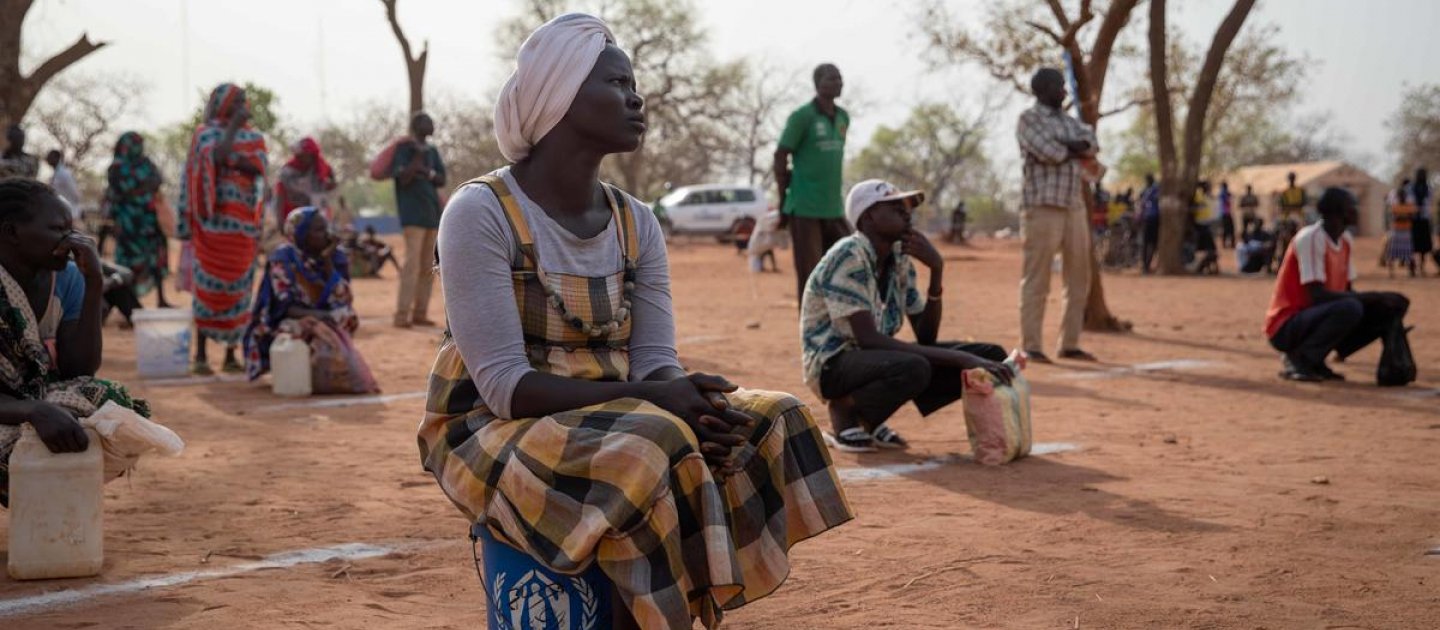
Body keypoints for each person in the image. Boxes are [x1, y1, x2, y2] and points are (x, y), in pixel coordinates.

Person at [419, 15, 851, 629]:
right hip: (492, 424)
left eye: (633, 84)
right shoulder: (480, 211)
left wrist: (690, 401)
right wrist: (661, 401)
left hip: (617, 408)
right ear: (561, 95)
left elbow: (654, 360)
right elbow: (504, 388)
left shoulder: (636, 221)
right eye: (617, 83)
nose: (636, 97)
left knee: (774, 418)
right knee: (655, 443)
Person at [801, 179, 1012, 452]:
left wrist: (936, 272)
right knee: (916, 365)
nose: (906, 212)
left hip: (873, 359)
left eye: (907, 207)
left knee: (991, 355)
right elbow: (867, 339)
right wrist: (962, 357)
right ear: (868, 217)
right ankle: (844, 410)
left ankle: (870, 419)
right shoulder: (849, 255)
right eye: (895, 206)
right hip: (833, 364)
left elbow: (926, 336)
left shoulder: (899, 258)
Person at [0, 178, 151, 508]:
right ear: (11, 233)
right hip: (14, 402)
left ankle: (48, 520)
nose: (72, 240)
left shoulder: (66, 276)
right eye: (57, 229)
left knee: (107, 403)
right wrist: (32, 409)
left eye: (71, 229)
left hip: (22, 395)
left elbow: (78, 368)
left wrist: (94, 283)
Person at [1265, 187, 1410, 382]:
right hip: (1287, 325)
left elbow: (1347, 292)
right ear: (1340, 211)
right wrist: (1373, 295)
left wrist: (1382, 302)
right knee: (1351, 307)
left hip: (1318, 314)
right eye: (1352, 206)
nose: (1356, 211)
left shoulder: (1345, 240)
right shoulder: (1310, 238)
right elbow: (1316, 295)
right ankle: (1300, 358)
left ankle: (1318, 359)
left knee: (1389, 305)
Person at [177, 83, 269, 375]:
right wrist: (235, 150)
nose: (244, 104)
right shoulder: (205, 134)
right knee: (207, 290)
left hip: (242, 229)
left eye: (244, 100)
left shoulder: (254, 137)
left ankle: (231, 355)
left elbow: (259, 169)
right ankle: (201, 355)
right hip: (211, 227)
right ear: (224, 104)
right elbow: (214, 158)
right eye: (237, 101)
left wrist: (238, 161)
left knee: (240, 292)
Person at [243, 207, 378, 394]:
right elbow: (285, 305)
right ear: (301, 234)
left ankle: (322, 371)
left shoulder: (336, 257)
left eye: (326, 228)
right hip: (284, 319)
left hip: (322, 316)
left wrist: (328, 261)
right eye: (318, 230)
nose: (326, 234)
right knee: (302, 328)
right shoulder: (283, 259)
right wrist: (318, 316)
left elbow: (343, 297)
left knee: (346, 316)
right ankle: (298, 369)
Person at [1015, 67, 1099, 363]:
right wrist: (1074, 147)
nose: (1064, 91)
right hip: (1041, 206)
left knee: (1079, 277)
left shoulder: (1069, 121)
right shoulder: (1028, 119)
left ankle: (1070, 343)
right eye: (1059, 86)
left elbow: (1092, 143)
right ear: (1044, 88)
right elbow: (1050, 152)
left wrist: (1074, 147)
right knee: (1037, 279)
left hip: (1073, 206)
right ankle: (1032, 345)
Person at [774, 63, 849, 304]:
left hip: (834, 207)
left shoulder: (842, 117)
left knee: (843, 267)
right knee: (809, 274)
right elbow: (780, 154)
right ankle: (809, 333)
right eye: (831, 78)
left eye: (840, 78)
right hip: (805, 207)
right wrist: (783, 199)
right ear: (817, 83)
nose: (838, 83)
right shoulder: (802, 117)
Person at [391, 112, 446, 329]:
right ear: (416, 126)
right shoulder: (404, 150)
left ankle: (420, 313)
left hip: (431, 215)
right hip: (412, 216)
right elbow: (402, 178)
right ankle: (401, 315)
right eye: (427, 122)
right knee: (411, 266)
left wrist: (428, 172)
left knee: (427, 267)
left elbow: (442, 179)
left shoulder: (433, 151)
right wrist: (417, 159)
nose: (432, 125)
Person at [106, 132, 172, 308]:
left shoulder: (145, 163)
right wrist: (144, 187)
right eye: (136, 144)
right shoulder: (116, 168)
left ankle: (161, 300)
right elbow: (119, 194)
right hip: (128, 224)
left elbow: (157, 180)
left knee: (156, 259)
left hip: (150, 222)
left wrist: (138, 189)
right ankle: (128, 305)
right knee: (129, 263)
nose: (140, 148)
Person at [275, 136, 337, 226]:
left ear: (311, 154)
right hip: (295, 214)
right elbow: (280, 196)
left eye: (304, 155)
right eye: (299, 155)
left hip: (318, 211)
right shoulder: (288, 171)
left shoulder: (320, 167)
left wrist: (328, 185)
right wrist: (280, 220)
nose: (301, 157)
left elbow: (332, 181)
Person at [1385, 185, 1417, 277]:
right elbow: (1395, 218)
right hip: (1396, 231)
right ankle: (1391, 273)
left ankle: (1411, 272)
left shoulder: (1409, 206)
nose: (1402, 196)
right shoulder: (1395, 206)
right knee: (1392, 252)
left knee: (1409, 253)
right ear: (1398, 196)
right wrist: (1404, 217)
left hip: (1406, 231)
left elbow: (1410, 217)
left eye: (1403, 195)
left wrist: (1401, 217)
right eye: (1400, 195)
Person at [45, 150, 83, 220]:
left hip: (71, 211)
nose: (47, 159)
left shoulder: (64, 174)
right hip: (60, 211)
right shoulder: (56, 174)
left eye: (50, 156)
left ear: (57, 158)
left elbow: (75, 193)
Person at [1410, 168, 1432, 276]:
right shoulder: (1422, 188)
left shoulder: (1425, 188)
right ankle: (1416, 268)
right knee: (1417, 246)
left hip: (1419, 220)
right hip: (1419, 220)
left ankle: (1417, 269)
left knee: (1418, 246)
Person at [1138, 173, 1161, 274]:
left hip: (1149, 218)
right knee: (1150, 243)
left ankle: (1146, 266)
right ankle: (1146, 266)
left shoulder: (1151, 190)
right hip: (1152, 219)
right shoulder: (1153, 189)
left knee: (1147, 243)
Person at [1218, 180, 1235, 249]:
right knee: (1230, 229)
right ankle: (1230, 244)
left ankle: (1225, 244)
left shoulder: (1222, 193)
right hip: (1226, 213)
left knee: (1226, 229)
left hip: (1224, 213)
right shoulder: (1224, 193)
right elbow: (1227, 201)